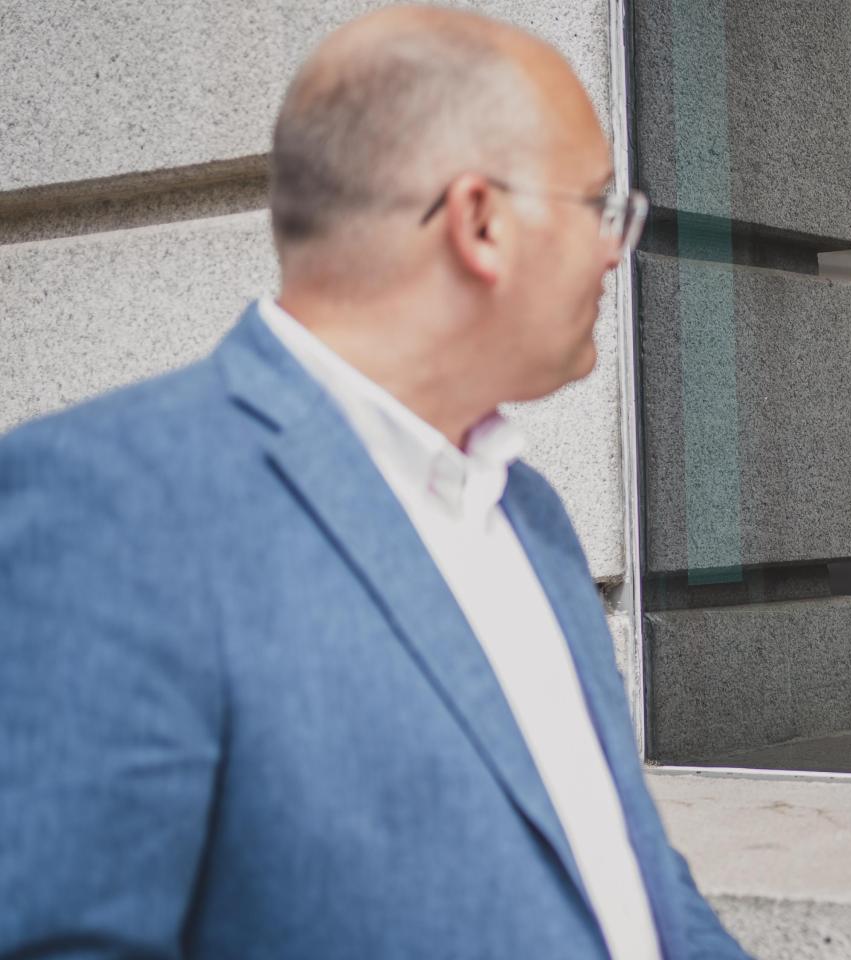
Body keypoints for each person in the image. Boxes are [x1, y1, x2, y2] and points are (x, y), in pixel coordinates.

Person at [0, 7, 748, 957]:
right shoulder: (112, 511)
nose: (614, 248)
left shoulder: (532, 514)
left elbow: (633, 883)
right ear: (479, 221)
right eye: (597, 203)